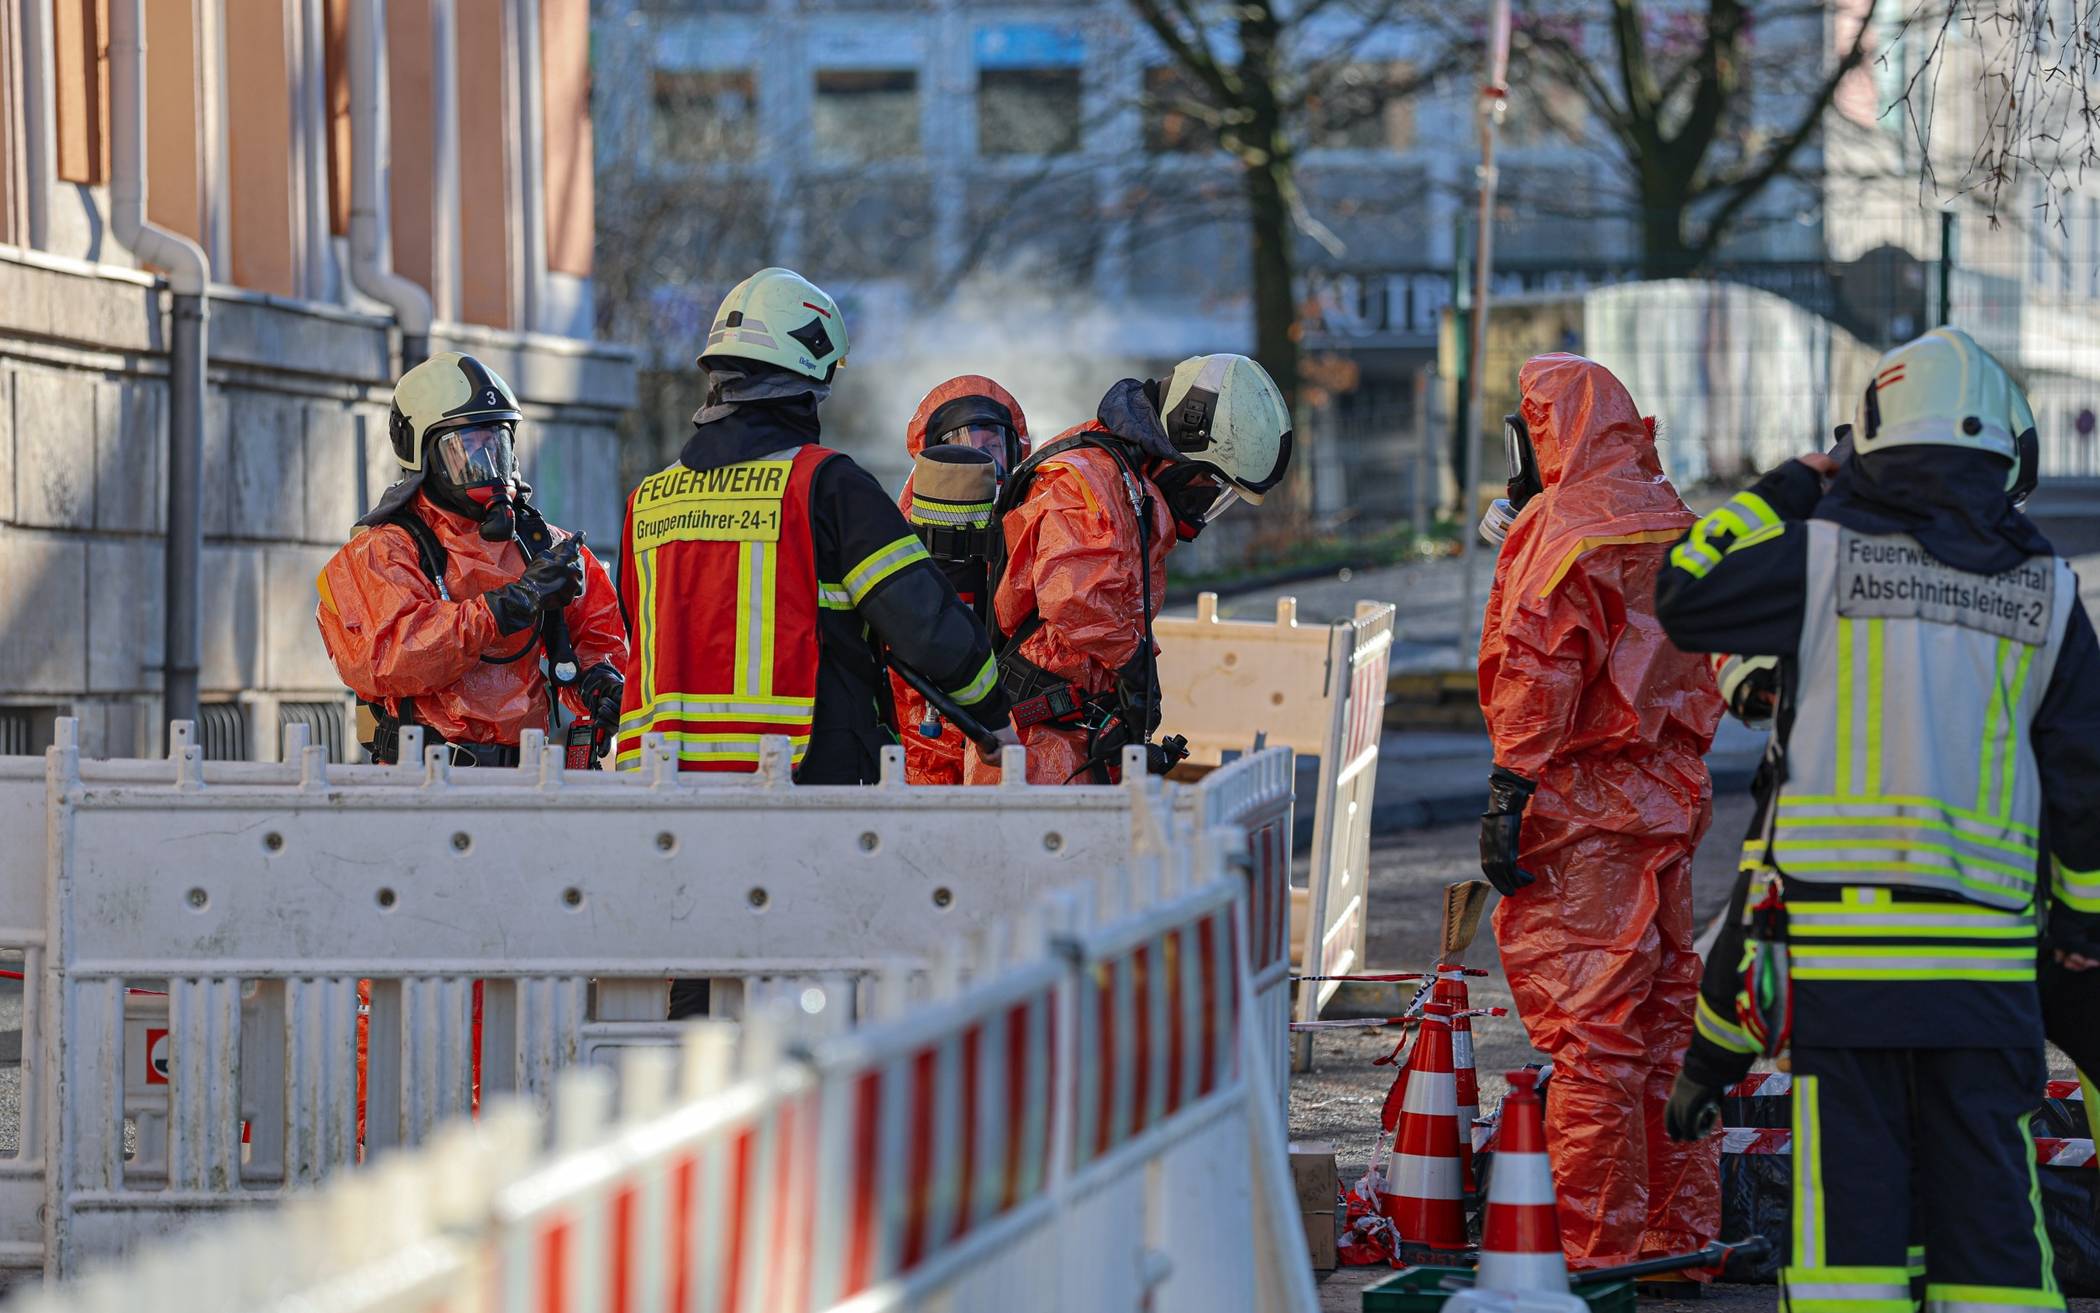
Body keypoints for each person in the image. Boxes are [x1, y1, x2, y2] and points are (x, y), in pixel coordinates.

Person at [1657, 327, 2100, 1311]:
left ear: (1866, 443)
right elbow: (2087, 790)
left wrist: (1795, 482)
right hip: (1986, 981)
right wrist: (2077, 933)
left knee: (1845, 1241)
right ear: (2008, 453)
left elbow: (1685, 588)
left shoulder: (1820, 558)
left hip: (1842, 977)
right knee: (1995, 1237)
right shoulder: (2048, 590)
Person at [1473, 354, 1724, 1274]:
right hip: (1667, 795)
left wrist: (1512, 786)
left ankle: (1588, 1249)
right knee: (1663, 1022)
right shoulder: (1669, 512)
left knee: (1592, 1035)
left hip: (1583, 803)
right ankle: (1679, 1237)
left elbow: (1539, 663)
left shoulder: (1562, 526)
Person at [614, 267, 1012, 784]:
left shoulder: (647, 500)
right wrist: (993, 716)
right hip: (803, 781)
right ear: (811, 376)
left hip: (661, 789)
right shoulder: (827, 485)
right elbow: (925, 623)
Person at [967, 354, 1292, 786]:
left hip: (1069, 735)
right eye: (1209, 486)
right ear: (1184, 445)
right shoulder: (1087, 482)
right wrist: (1134, 662)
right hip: (1036, 745)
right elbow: (1072, 597)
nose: (1202, 507)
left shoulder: (1126, 482)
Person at [316, 352, 627, 765]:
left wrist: (600, 682)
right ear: (423, 455)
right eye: (468, 451)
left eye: (497, 446)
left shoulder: (545, 549)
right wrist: (506, 607)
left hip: (527, 780)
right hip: (422, 784)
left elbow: (600, 640)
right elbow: (390, 658)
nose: (489, 468)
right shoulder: (382, 553)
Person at [892, 376, 1031, 785]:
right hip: (926, 713)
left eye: (991, 448)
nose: (979, 459)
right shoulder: (911, 515)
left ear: (1014, 448)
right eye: (963, 445)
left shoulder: (1024, 511)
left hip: (998, 704)